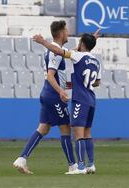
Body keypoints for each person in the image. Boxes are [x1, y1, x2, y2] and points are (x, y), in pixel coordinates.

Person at [13, 20, 77, 174]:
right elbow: (50, 75)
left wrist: (91, 41)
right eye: (66, 30)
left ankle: (21, 159)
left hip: (46, 94)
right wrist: (61, 91)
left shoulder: (57, 50)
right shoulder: (55, 52)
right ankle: (73, 166)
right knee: (66, 128)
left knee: (43, 128)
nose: (68, 33)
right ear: (61, 33)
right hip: (53, 95)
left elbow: (71, 53)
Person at [33, 31, 101, 175]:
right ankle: (91, 164)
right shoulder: (96, 61)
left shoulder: (77, 56)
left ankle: (81, 167)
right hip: (91, 99)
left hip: (80, 100)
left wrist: (43, 42)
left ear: (82, 44)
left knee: (78, 134)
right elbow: (97, 82)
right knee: (87, 132)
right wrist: (79, 82)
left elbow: (58, 51)